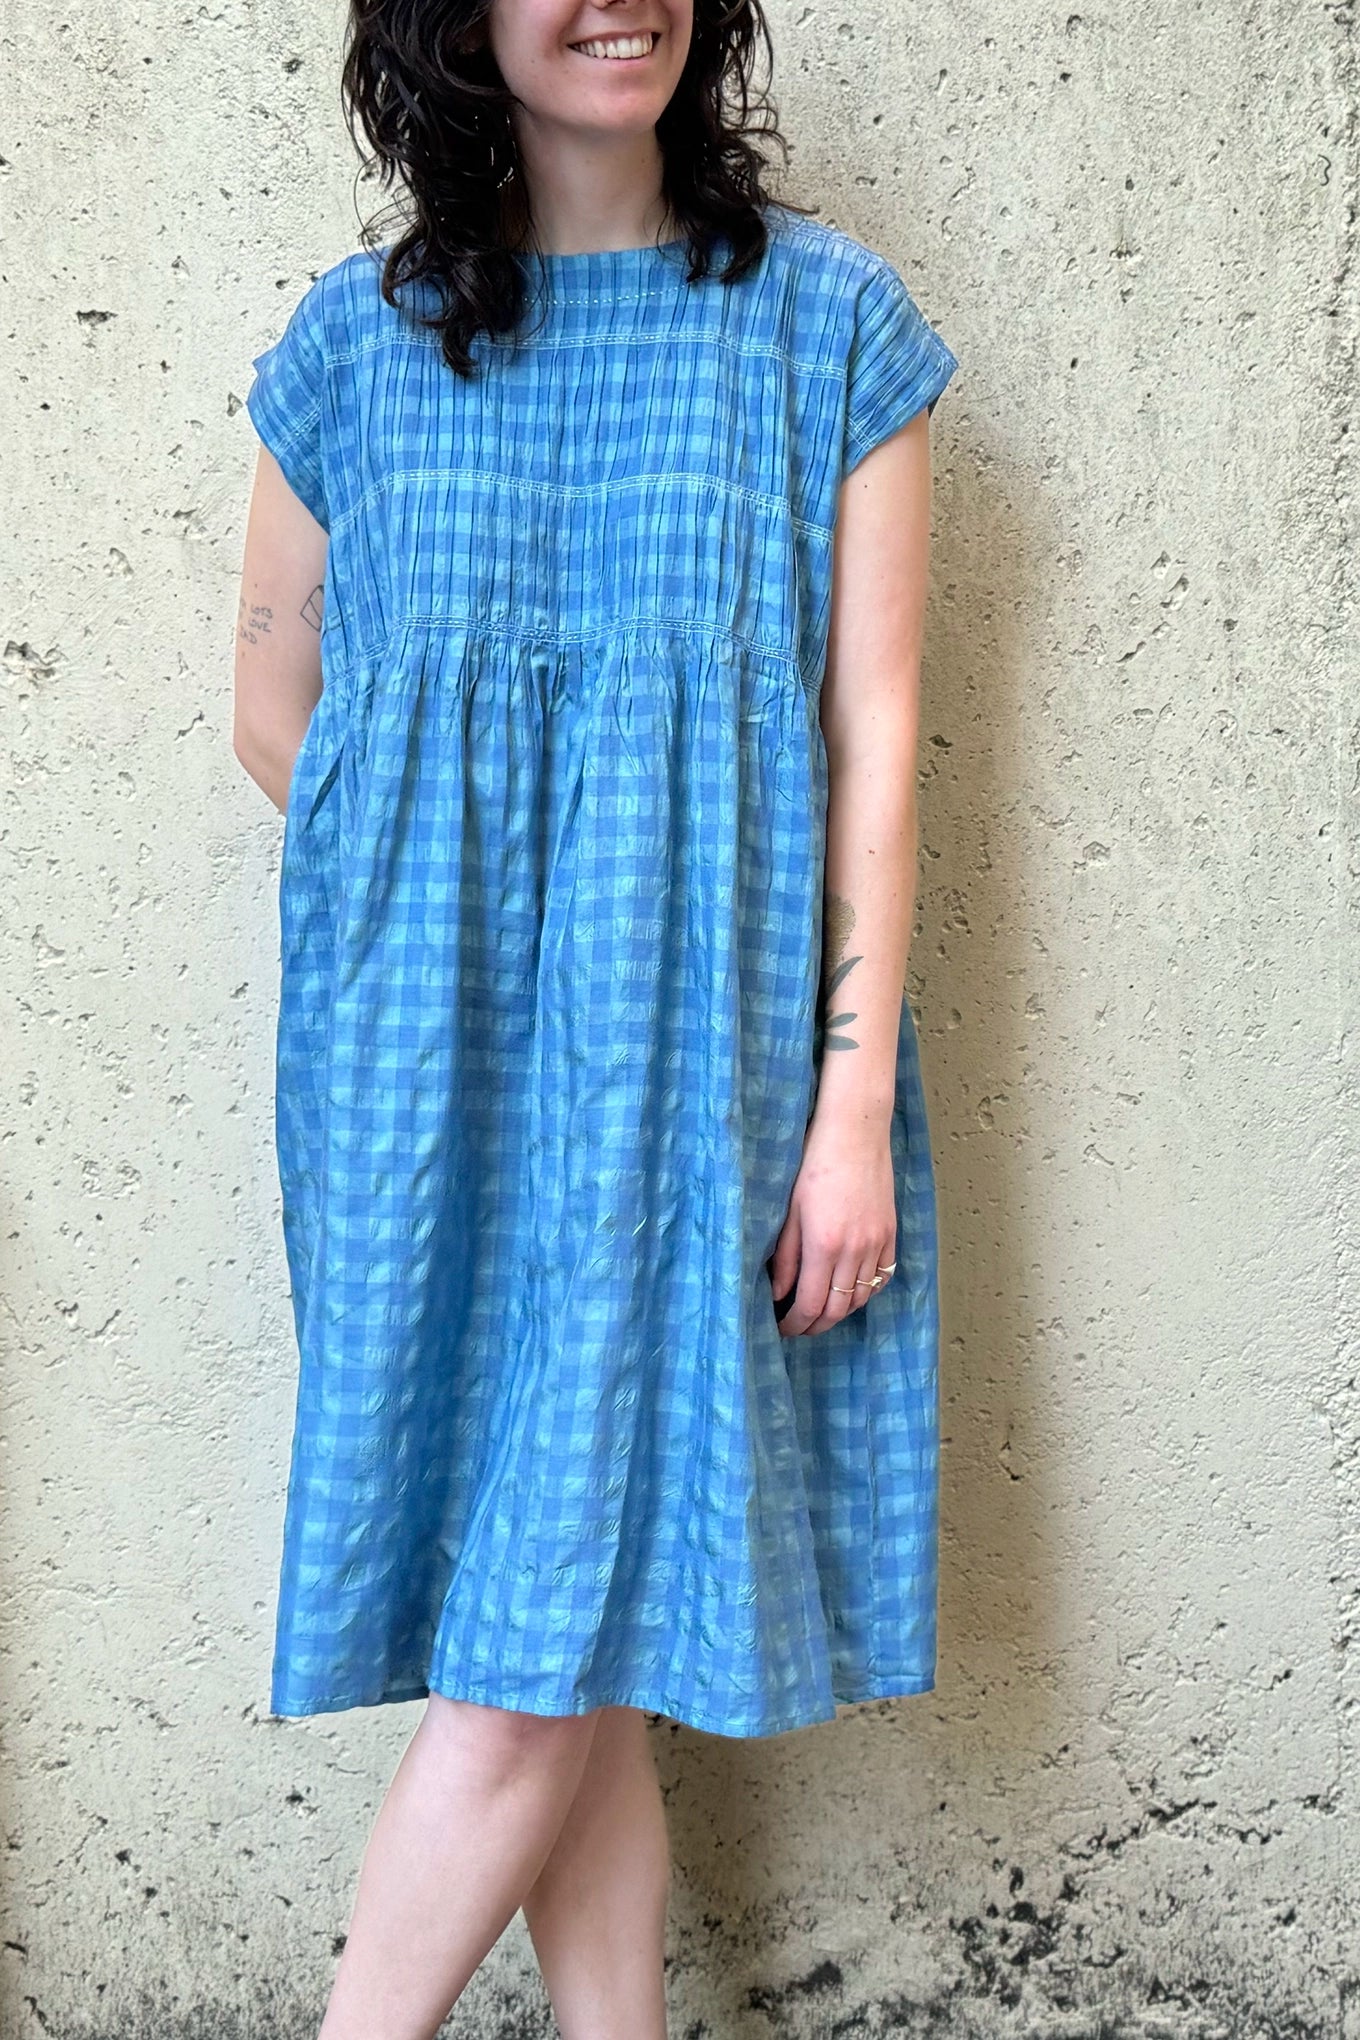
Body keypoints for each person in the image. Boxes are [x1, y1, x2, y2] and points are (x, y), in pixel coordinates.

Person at [233, 0, 959, 2030]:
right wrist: (445, 922)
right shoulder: (354, 347)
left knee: (536, 1640)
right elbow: (275, 714)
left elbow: (872, 747)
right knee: (574, 1636)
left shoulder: (825, 326)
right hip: (418, 1084)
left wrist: (841, 1113)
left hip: (696, 1079)